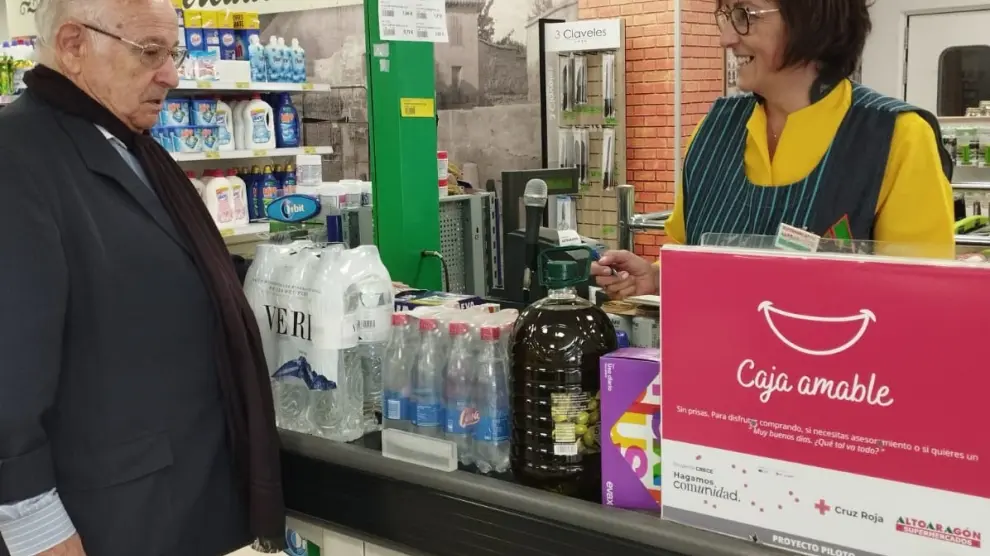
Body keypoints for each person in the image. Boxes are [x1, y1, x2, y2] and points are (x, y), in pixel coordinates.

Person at [0, 0, 284, 555]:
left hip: (184, 507)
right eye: (150, 52)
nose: (171, 74)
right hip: (106, 524)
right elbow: (8, 379)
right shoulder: (17, 159)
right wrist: (40, 534)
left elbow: (161, 272)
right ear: (75, 47)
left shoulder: (131, 147)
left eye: (171, 52)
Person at [593, 0, 955, 300]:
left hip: (839, 381)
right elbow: (688, 254)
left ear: (814, 18)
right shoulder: (714, 129)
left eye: (745, 16)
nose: (726, 38)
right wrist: (655, 279)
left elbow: (922, 300)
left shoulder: (895, 136)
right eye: (727, 16)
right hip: (715, 372)